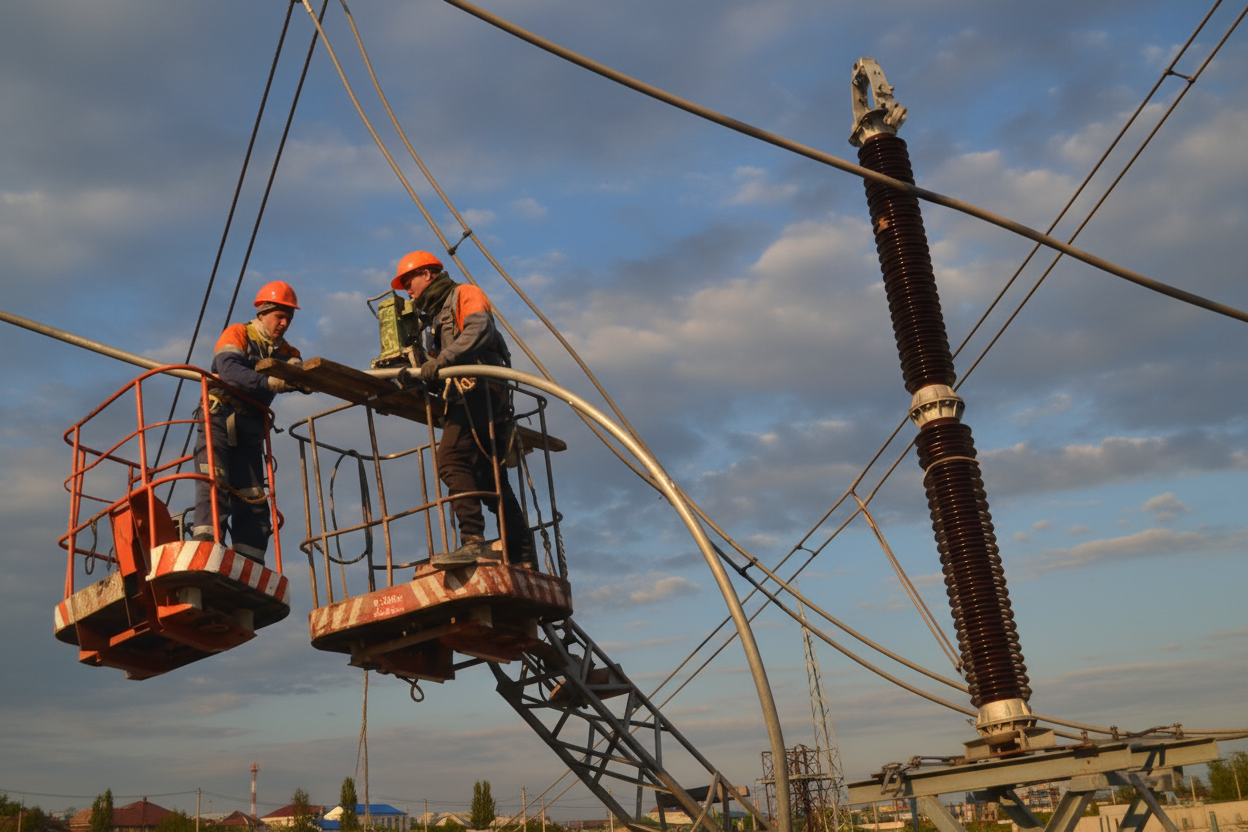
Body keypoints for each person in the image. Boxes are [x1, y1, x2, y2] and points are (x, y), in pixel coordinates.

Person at [392, 250, 536, 569]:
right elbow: (439, 364)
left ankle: (473, 541)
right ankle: (523, 555)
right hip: (465, 393)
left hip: (482, 388)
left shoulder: (464, 293)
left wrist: (440, 362)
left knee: (451, 459)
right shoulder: (429, 319)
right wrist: (417, 376)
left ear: (428, 274)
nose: (407, 289)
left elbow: (479, 330)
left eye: (409, 280)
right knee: (488, 474)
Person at [191, 281, 304, 563]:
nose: (284, 323)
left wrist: (301, 377)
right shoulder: (239, 333)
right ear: (263, 312)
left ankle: (250, 559)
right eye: (280, 316)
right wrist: (269, 383)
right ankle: (208, 544)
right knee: (213, 479)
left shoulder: (287, 351)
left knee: (253, 496)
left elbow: (300, 371)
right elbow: (228, 370)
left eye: (289, 318)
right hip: (219, 417)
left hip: (250, 428)